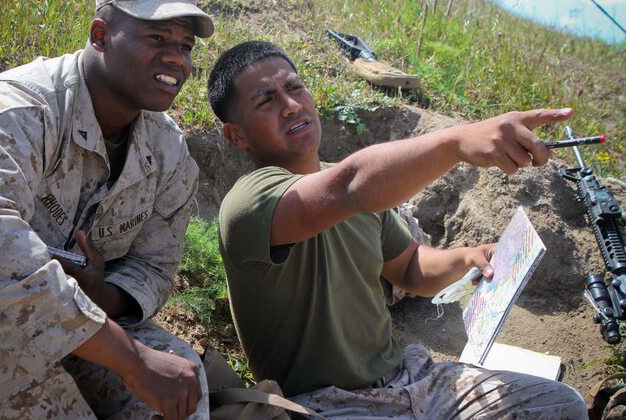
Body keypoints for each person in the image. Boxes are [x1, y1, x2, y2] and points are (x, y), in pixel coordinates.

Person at [207, 40, 588, 419]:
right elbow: (350, 186)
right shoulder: (249, 202)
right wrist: (455, 142)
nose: (291, 105)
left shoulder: (355, 191)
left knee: (560, 404)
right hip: (327, 407)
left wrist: (469, 259)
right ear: (236, 135)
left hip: (410, 380)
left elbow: (410, 267)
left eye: (294, 87)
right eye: (266, 100)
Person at [0, 0, 214, 419]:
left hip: (84, 330)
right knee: (10, 342)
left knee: (183, 372)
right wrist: (130, 358)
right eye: (157, 37)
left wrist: (100, 295)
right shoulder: (16, 109)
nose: (177, 59)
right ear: (100, 35)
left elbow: (156, 266)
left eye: (185, 45)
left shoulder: (167, 152)